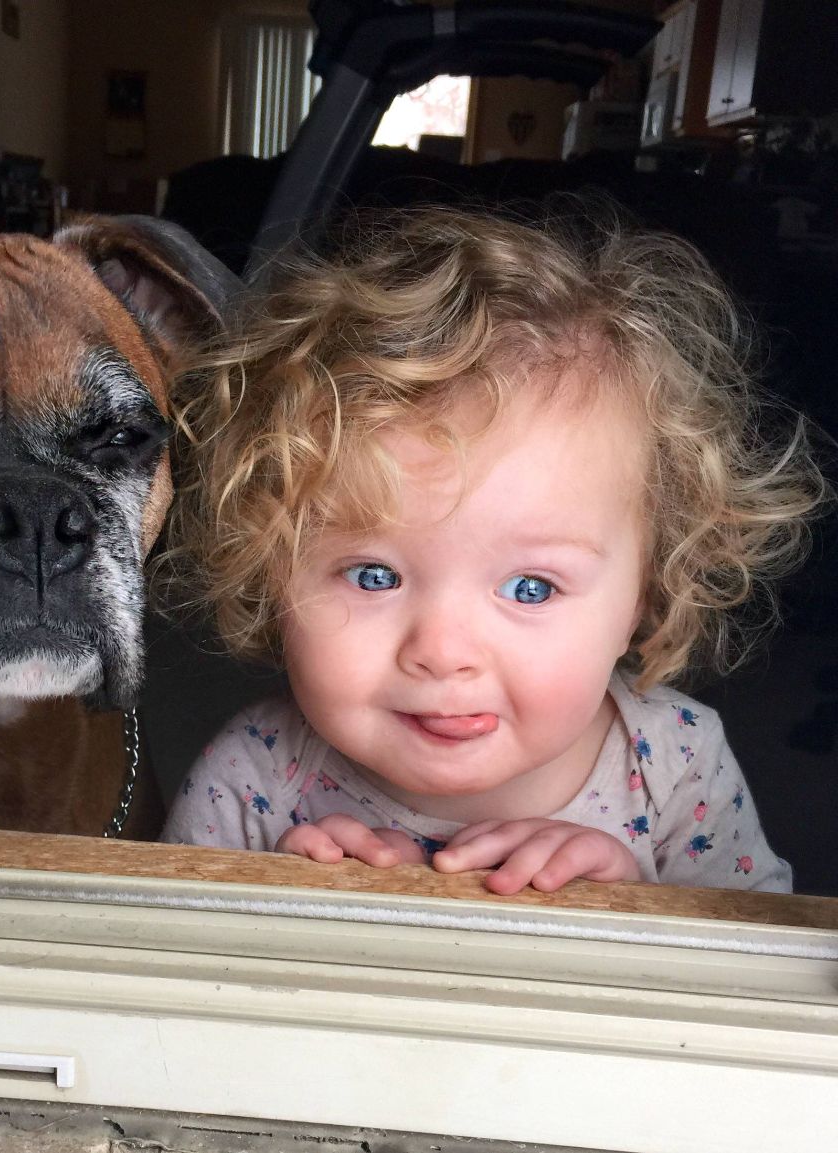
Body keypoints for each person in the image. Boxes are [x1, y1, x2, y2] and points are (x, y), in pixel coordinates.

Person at [159, 204, 830, 894]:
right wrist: (261, 914)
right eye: (373, 574)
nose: (444, 651)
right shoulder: (253, 776)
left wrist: (639, 906)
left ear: (646, 592)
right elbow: (149, 980)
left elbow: (758, 976)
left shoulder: (675, 766)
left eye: (531, 587)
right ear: (272, 566)